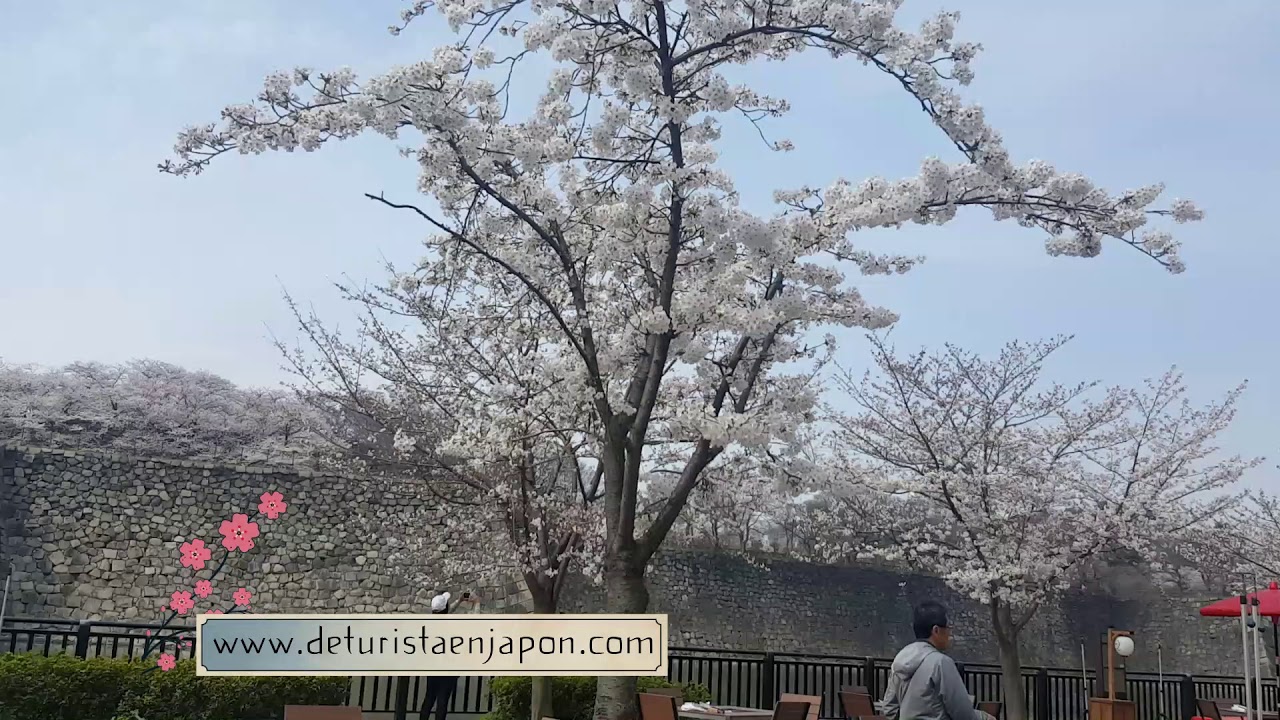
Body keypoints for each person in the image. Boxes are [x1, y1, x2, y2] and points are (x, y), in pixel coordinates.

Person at [880, 601, 994, 720]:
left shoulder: (900, 659)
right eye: (948, 628)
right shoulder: (941, 663)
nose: (949, 633)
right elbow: (963, 714)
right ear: (936, 630)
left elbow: (889, 710)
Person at [419, 590, 480, 720]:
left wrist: (458, 601)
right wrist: (477, 604)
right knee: (442, 701)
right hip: (449, 668)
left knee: (429, 698)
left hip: (433, 668)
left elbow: (443, 613)